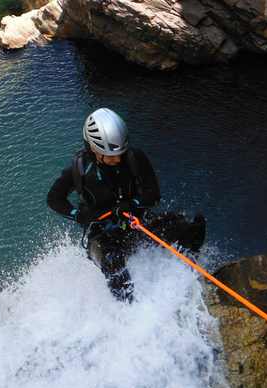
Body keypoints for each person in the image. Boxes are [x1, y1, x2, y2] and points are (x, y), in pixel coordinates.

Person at [47, 108, 206, 302]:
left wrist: (130, 205)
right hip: (102, 236)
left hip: (137, 225)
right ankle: (128, 310)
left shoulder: (134, 157)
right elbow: (54, 199)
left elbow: (153, 195)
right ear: (95, 149)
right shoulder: (80, 170)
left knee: (194, 222)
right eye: (112, 155)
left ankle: (186, 275)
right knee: (112, 261)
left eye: (121, 152)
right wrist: (82, 217)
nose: (118, 159)